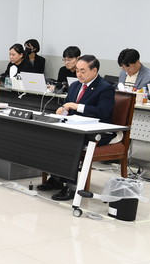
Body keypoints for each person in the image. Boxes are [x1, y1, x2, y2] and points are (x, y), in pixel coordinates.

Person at [37, 55, 115, 201]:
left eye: (83, 71)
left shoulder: (105, 88)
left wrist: (77, 106)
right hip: (75, 126)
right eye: (77, 71)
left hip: (98, 131)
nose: (79, 74)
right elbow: (67, 106)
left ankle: (71, 187)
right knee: (50, 136)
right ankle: (56, 178)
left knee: (70, 141)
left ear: (94, 70)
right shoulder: (74, 85)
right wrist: (62, 110)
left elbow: (103, 112)